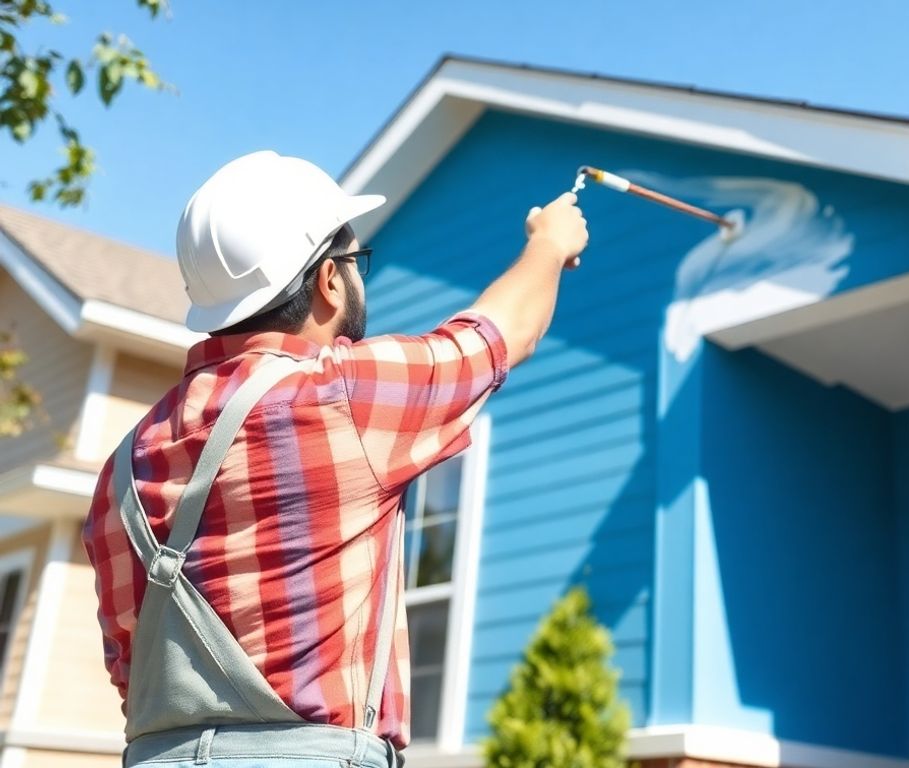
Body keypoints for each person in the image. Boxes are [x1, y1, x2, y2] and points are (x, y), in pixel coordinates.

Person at [81, 150, 588, 767]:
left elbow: (130, 667)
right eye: (355, 263)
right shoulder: (339, 394)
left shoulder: (123, 465)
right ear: (328, 278)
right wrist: (550, 243)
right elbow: (502, 334)